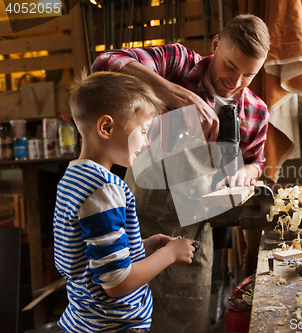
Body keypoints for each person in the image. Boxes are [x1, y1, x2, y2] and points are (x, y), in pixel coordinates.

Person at [91, 14, 270, 332]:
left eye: (248, 74)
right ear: (215, 44)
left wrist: (246, 171)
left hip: (192, 237)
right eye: (230, 66)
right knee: (126, 318)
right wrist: (178, 94)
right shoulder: (180, 63)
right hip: (139, 228)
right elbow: (106, 63)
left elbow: (257, 160)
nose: (236, 81)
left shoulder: (255, 110)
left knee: (187, 321)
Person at [53, 71, 196, 333]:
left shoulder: (73, 178)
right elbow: (116, 284)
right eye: (142, 131)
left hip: (85, 320)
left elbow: (90, 257)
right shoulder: (104, 189)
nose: (146, 141)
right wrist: (169, 254)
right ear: (106, 127)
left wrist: (141, 247)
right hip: (114, 326)